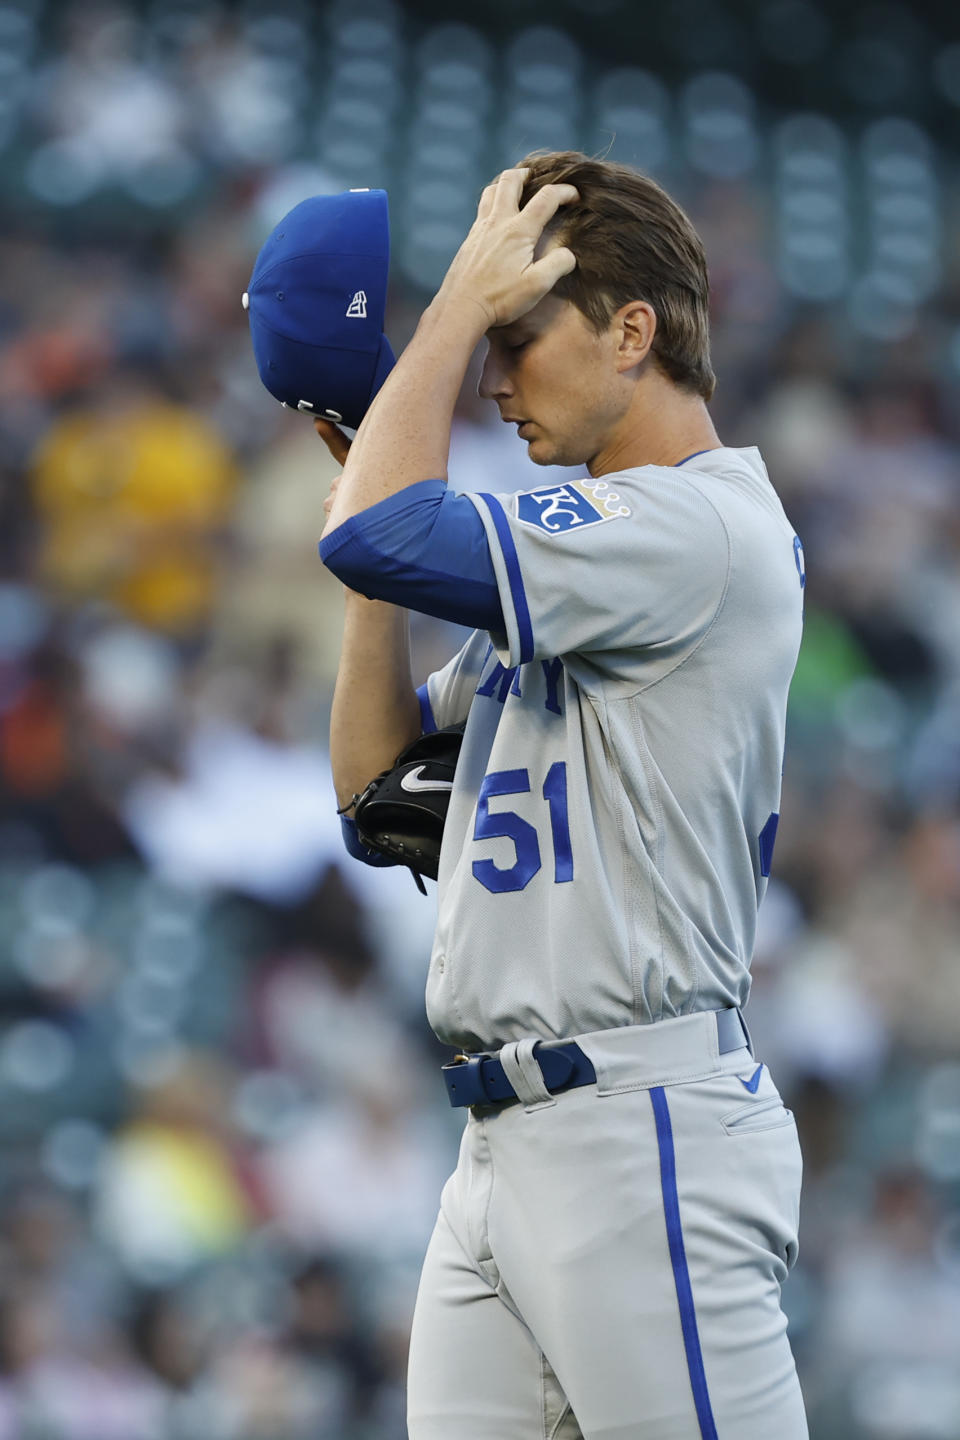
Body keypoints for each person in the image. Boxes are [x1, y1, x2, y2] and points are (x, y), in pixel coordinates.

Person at [315, 151, 808, 1440]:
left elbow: (379, 525)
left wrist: (440, 321)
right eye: (490, 330)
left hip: (641, 1132)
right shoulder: (599, 552)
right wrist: (379, 524)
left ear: (631, 332)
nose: (490, 371)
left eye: (517, 331)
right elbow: (379, 796)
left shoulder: (694, 529)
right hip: (503, 1151)